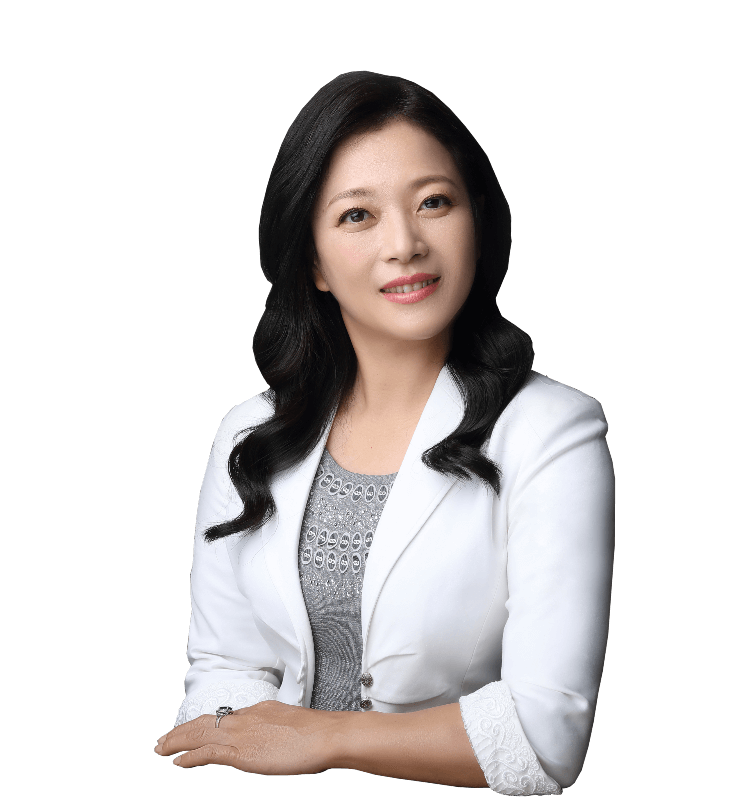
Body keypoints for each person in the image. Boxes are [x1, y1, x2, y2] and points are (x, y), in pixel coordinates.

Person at [153, 71, 615, 795]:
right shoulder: (250, 432)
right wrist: (252, 740)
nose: (405, 244)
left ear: (476, 220)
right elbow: (223, 670)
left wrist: (321, 738)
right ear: (313, 261)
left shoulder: (553, 431)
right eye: (357, 216)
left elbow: (543, 735)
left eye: (434, 202)